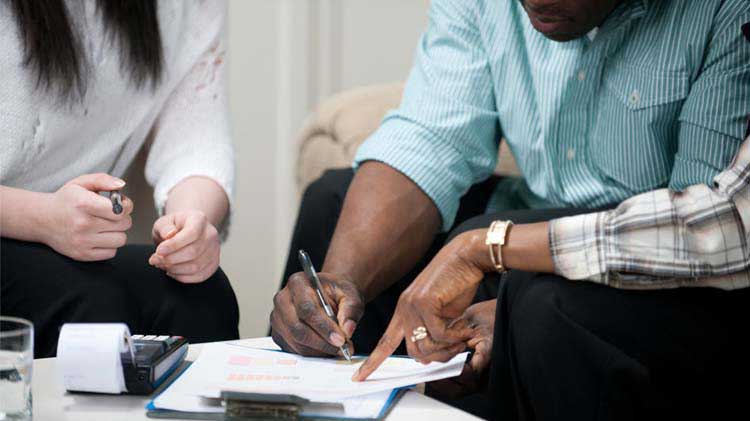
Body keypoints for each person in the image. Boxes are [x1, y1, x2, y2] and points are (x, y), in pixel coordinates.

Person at [271, 0, 750, 418]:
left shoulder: (722, 10)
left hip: (659, 257)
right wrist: (333, 288)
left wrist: (493, 263)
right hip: (535, 211)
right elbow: (432, 135)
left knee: (530, 294)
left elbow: (697, 230)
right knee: (333, 203)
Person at [0, 0, 238, 358]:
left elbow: (195, 138)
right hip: (22, 227)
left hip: (60, 241)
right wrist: (42, 217)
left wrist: (189, 226)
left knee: (199, 293)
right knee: (93, 306)